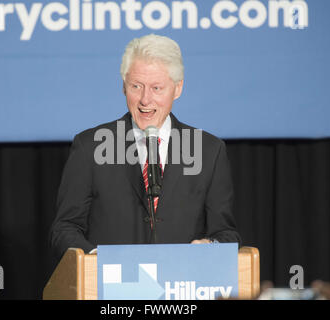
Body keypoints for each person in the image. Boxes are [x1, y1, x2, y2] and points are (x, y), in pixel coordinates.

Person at [50, 34, 240, 261]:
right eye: (136, 86)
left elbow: (227, 233)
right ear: (123, 86)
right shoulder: (90, 147)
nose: (145, 100)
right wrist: (95, 260)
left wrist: (210, 245)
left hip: (181, 284)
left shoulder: (208, 150)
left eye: (157, 88)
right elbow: (64, 229)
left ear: (177, 89)